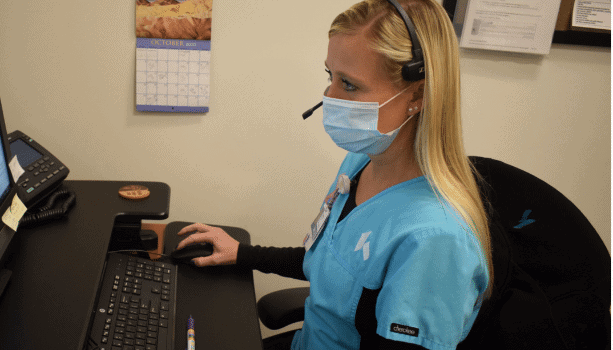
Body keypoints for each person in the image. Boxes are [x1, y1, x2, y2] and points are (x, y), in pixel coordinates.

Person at [175, 0, 493, 349]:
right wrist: (241, 253)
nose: (329, 96)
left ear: (417, 94)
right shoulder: (360, 162)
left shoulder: (435, 238)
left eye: (350, 85)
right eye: (331, 76)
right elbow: (331, 262)